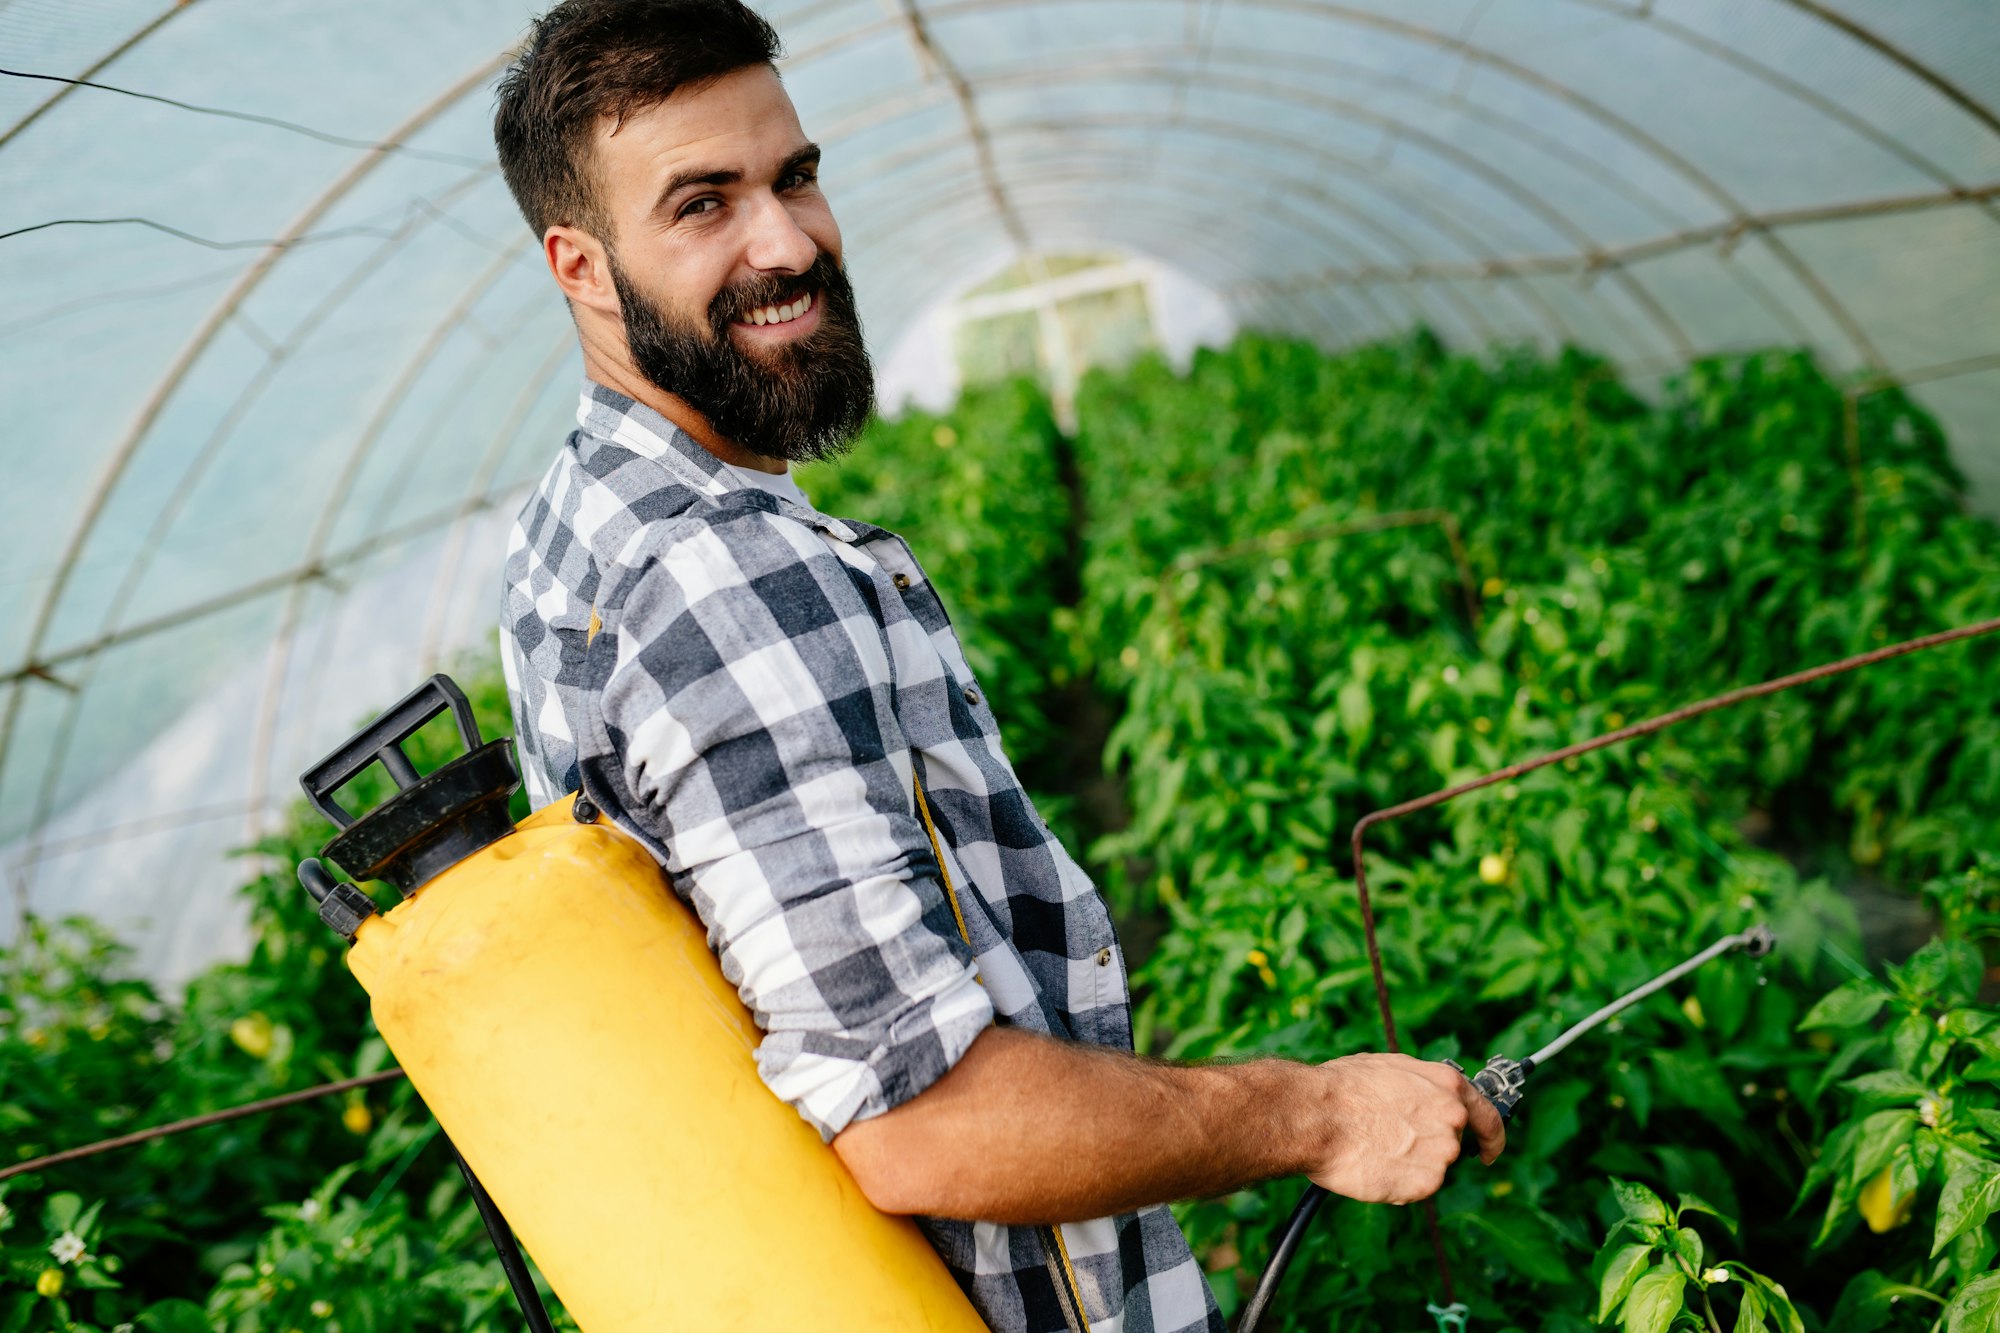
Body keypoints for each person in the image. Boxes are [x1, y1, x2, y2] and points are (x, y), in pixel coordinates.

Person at [493, 3, 1505, 1329]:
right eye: (703, 204)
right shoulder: (716, 575)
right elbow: (925, 1118)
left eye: (795, 175)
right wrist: (1318, 1110)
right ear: (579, 263)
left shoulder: (575, 524)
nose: (788, 241)